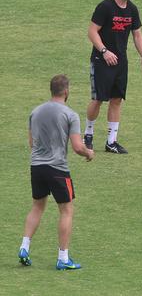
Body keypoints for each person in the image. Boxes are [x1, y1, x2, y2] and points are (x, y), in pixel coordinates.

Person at [19, 75, 94, 270]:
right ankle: (63, 258)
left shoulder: (35, 112)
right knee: (66, 210)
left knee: (37, 206)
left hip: (36, 167)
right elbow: (78, 147)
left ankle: (24, 247)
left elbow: (31, 143)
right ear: (66, 91)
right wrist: (89, 153)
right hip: (58, 168)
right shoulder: (70, 115)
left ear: (51, 90)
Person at [84, 0, 142, 154]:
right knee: (98, 99)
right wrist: (104, 51)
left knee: (116, 100)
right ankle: (88, 135)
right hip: (101, 61)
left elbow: (137, 34)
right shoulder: (105, 7)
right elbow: (92, 32)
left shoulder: (132, 10)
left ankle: (111, 141)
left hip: (121, 63)